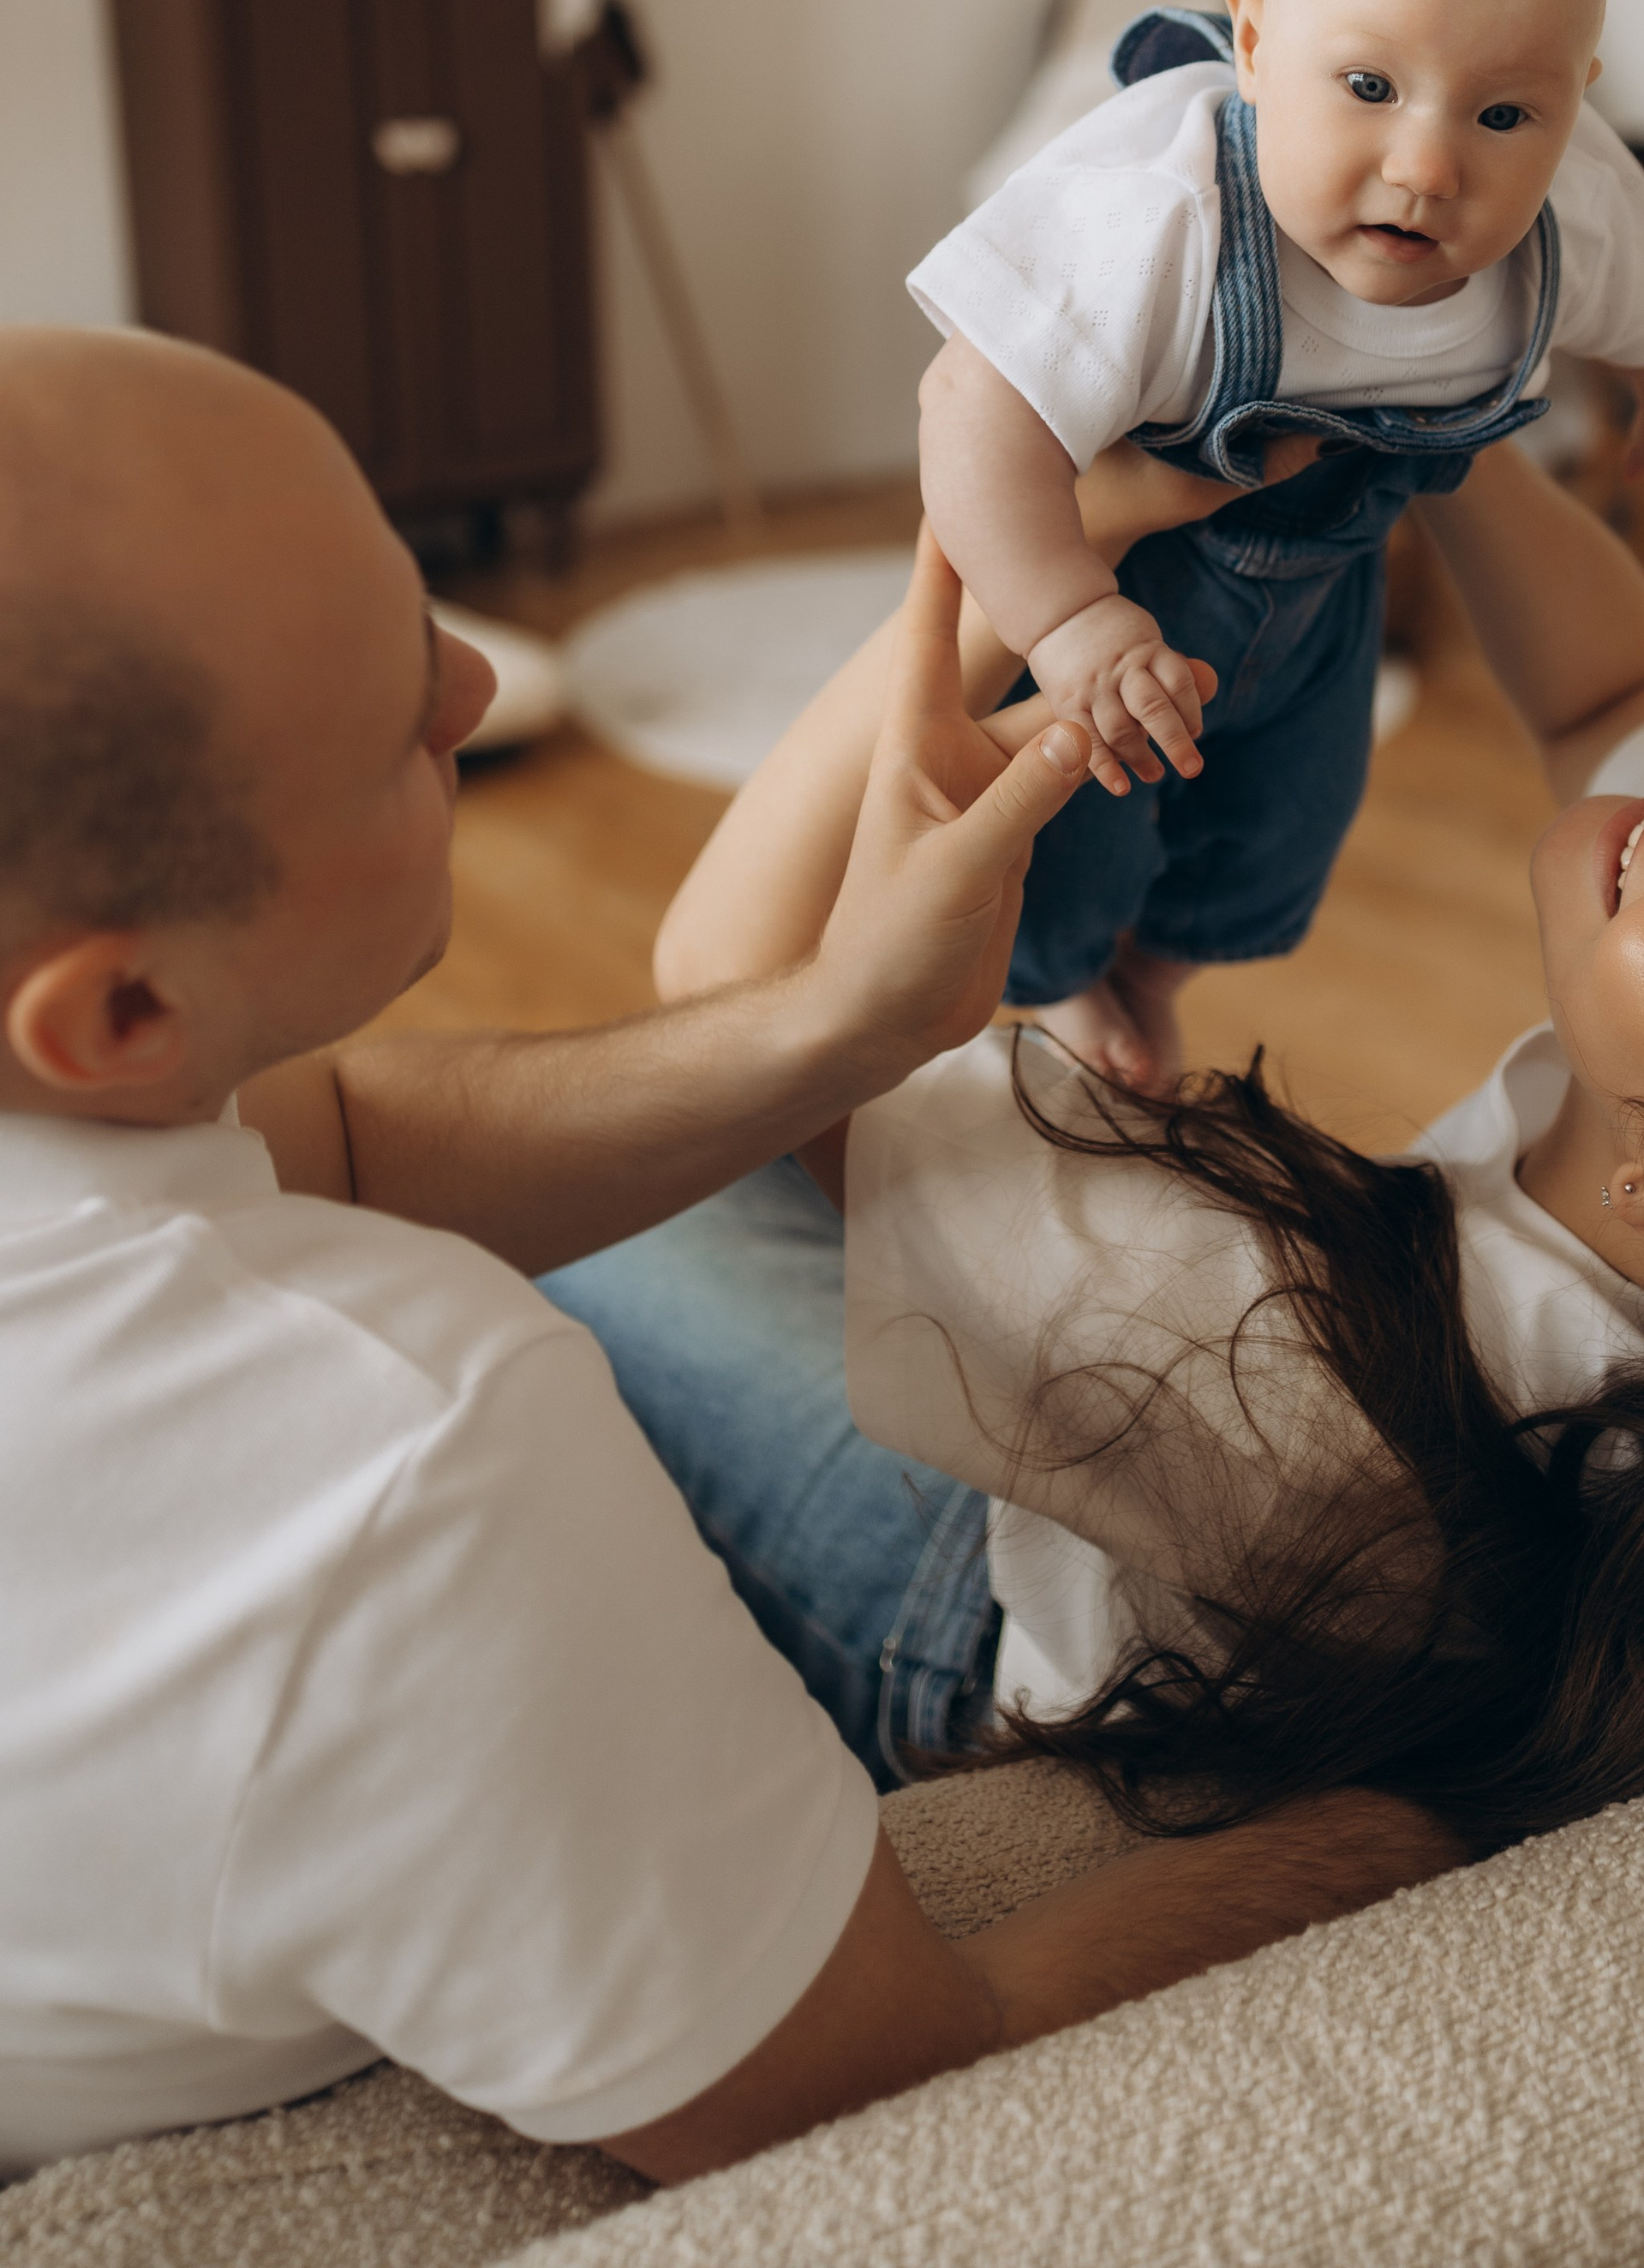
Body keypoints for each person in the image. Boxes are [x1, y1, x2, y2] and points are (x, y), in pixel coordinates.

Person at [0, 329, 1456, 2187]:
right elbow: (863, 2088)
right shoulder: (398, 1450)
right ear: (121, 1009)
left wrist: (837, 1027)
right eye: (393, 718)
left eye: (417, 599)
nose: (468, 682)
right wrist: (1451, 1809)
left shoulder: (100, 1126)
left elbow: (335, 1145)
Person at [574, 437, 1644, 1841]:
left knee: (609, 1188)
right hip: (1202, 1459)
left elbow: (745, 1007)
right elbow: (1617, 687)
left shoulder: (1291, 1370)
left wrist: (1043, 563)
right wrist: (1439, 409)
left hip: (969, 1625)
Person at [909, 0, 1644, 1091]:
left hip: (1326, 607)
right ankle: (1075, 983)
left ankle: (1155, 975)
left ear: (1574, 97)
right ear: (1252, 40)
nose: (1429, 168)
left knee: (1283, 833)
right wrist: (1069, 620)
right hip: (1133, 588)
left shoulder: (1577, 212)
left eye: (1502, 113)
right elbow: (969, 400)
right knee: (1078, 838)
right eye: (1367, 87)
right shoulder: (1172, 206)